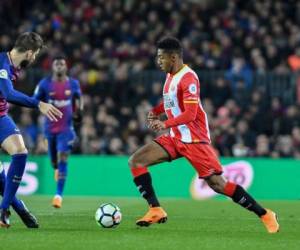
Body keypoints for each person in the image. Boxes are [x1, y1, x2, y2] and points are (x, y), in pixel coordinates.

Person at [128, 36, 279, 233]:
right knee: (136, 161)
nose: (158, 62)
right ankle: (155, 209)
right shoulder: (170, 76)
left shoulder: (189, 78)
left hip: (194, 140)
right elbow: (173, 101)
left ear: (173, 57)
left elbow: (190, 114)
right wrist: (157, 110)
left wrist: (164, 123)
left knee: (218, 185)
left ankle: (265, 214)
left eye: (161, 58)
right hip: (175, 137)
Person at [0, 32, 63, 228]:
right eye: (35, 54)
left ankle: (3, 210)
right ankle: (20, 208)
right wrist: (39, 104)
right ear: (28, 52)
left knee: (20, 152)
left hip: (1, 117)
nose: (35, 58)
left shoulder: (10, 65)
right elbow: (8, 93)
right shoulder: (2, 65)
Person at [34, 56, 83, 208]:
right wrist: (40, 106)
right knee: (54, 161)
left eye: (62, 63)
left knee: (63, 156)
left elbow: (79, 99)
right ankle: (57, 168)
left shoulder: (73, 83)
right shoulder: (44, 84)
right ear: (52, 67)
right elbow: (34, 100)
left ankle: (58, 196)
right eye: (57, 64)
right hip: (49, 129)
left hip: (66, 129)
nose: (60, 66)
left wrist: (79, 111)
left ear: (66, 66)